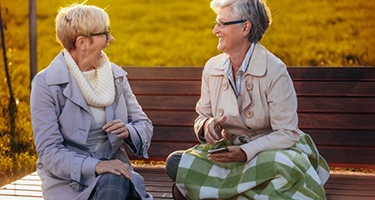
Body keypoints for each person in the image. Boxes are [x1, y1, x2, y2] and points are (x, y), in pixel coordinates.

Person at [165, 0, 330, 199]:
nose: (214, 30)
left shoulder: (275, 70)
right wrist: (207, 126)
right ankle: (251, 192)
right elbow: (202, 116)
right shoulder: (212, 68)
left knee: (283, 164)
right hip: (230, 152)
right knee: (175, 162)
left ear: (245, 27)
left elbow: (287, 133)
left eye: (221, 23)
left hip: (271, 151)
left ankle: (213, 192)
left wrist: (246, 152)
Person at [30, 3, 153, 200]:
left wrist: (129, 131)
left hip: (115, 172)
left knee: (115, 179)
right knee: (115, 180)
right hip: (68, 182)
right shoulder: (46, 83)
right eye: (105, 33)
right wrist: (96, 166)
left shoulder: (115, 75)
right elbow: (49, 152)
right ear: (82, 43)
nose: (110, 39)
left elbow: (144, 124)